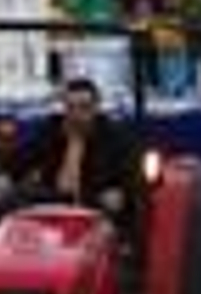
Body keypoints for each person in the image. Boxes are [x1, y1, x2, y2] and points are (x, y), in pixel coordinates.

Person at [12, 76, 136, 218]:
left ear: (96, 108)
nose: (76, 115)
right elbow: (18, 161)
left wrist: (120, 195)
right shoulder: (51, 131)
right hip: (52, 209)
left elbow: (131, 187)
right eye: (70, 108)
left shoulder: (115, 139)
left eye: (84, 108)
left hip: (95, 212)